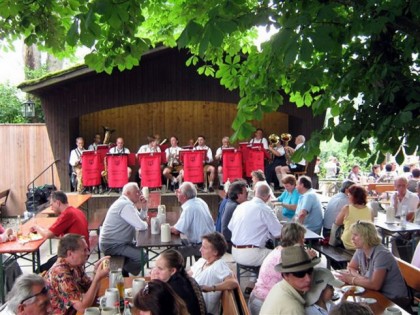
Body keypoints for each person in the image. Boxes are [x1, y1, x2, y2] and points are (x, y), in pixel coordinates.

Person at [249, 223, 316, 315]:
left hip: (258, 297)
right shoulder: (285, 257)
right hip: (262, 301)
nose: (303, 241)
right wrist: (307, 259)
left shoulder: (279, 250)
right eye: (302, 238)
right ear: (296, 239)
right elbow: (298, 271)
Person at [335, 221, 408, 303]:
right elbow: (351, 267)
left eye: (355, 235)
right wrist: (361, 278)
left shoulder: (382, 254)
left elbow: (375, 285)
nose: (352, 238)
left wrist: (352, 279)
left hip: (394, 300)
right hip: (375, 294)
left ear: (366, 236)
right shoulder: (361, 249)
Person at [45, 234, 109, 314]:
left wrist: (96, 273)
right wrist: (97, 278)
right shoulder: (60, 273)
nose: (88, 253)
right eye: (84, 250)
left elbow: (90, 290)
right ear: (70, 254)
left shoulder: (75, 265)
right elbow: (83, 307)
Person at [31, 190, 89, 271]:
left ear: (58, 203)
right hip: (82, 249)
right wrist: (44, 230)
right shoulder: (76, 211)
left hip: (76, 254)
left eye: (52, 205)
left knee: (40, 270)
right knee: (50, 262)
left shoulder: (67, 214)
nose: (51, 208)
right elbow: (58, 234)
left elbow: (48, 235)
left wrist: (36, 227)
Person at [99, 182, 148, 275]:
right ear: (128, 193)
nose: (140, 194)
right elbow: (141, 226)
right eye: (137, 192)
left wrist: (144, 208)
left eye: (139, 192)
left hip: (120, 243)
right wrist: (146, 224)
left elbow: (140, 219)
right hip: (112, 245)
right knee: (143, 257)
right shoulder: (125, 205)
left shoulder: (127, 203)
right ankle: (121, 271)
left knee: (142, 253)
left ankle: (123, 271)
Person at [228, 183, 282, 266]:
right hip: (251, 254)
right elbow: (278, 233)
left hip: (234, 251)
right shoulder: (265, 209)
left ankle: (254, 277)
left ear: (255, 193)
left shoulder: (240, 206)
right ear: (268, 197)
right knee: (284, 256)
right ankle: (267, 278)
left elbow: (230, 227)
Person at [260, 245, 321, 314]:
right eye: (300, 274)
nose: (308, 279)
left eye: (310, 271)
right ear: (285, 275)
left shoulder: (279, 286)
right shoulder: (293, 307)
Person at [190, 232, 238, 315]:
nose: (200, 249)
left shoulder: (218, 265)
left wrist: (211, 288)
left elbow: (233, 282)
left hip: (202, 311)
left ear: (215, 252)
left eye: (204, 247)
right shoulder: (202, 261)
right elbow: (188, 274)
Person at [150, 249, 206, 315]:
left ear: (173, 271)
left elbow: (153, 306)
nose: (155, 271)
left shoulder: (172, 288)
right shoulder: (184, 277)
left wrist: (154, 284)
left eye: (160, 269)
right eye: (155, 266)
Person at [170, 182, 215, 259]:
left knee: (173, 253)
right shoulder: (199, 200)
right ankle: (182, 268)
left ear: (184, 197)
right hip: (210, 240)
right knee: (179, 243)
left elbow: (177, 230)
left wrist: (165, 228)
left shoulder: (189, 208)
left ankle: (180, 270)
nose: (177, 192)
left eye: (179, 191)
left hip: (201, 245)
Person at [335, 185, 373, 250]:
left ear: (354, 197)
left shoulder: (347, 208)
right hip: (364, 243)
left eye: (349, 195)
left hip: (349, 242)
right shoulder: (370, 210)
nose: (348, 197)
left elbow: (337, 223)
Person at [221, 180, 248, 250]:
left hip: (227, 240)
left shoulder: (229, 203)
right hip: (231, 243)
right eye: (246, 193)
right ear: (239, 195)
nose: (247, 196)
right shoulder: (236, 207)